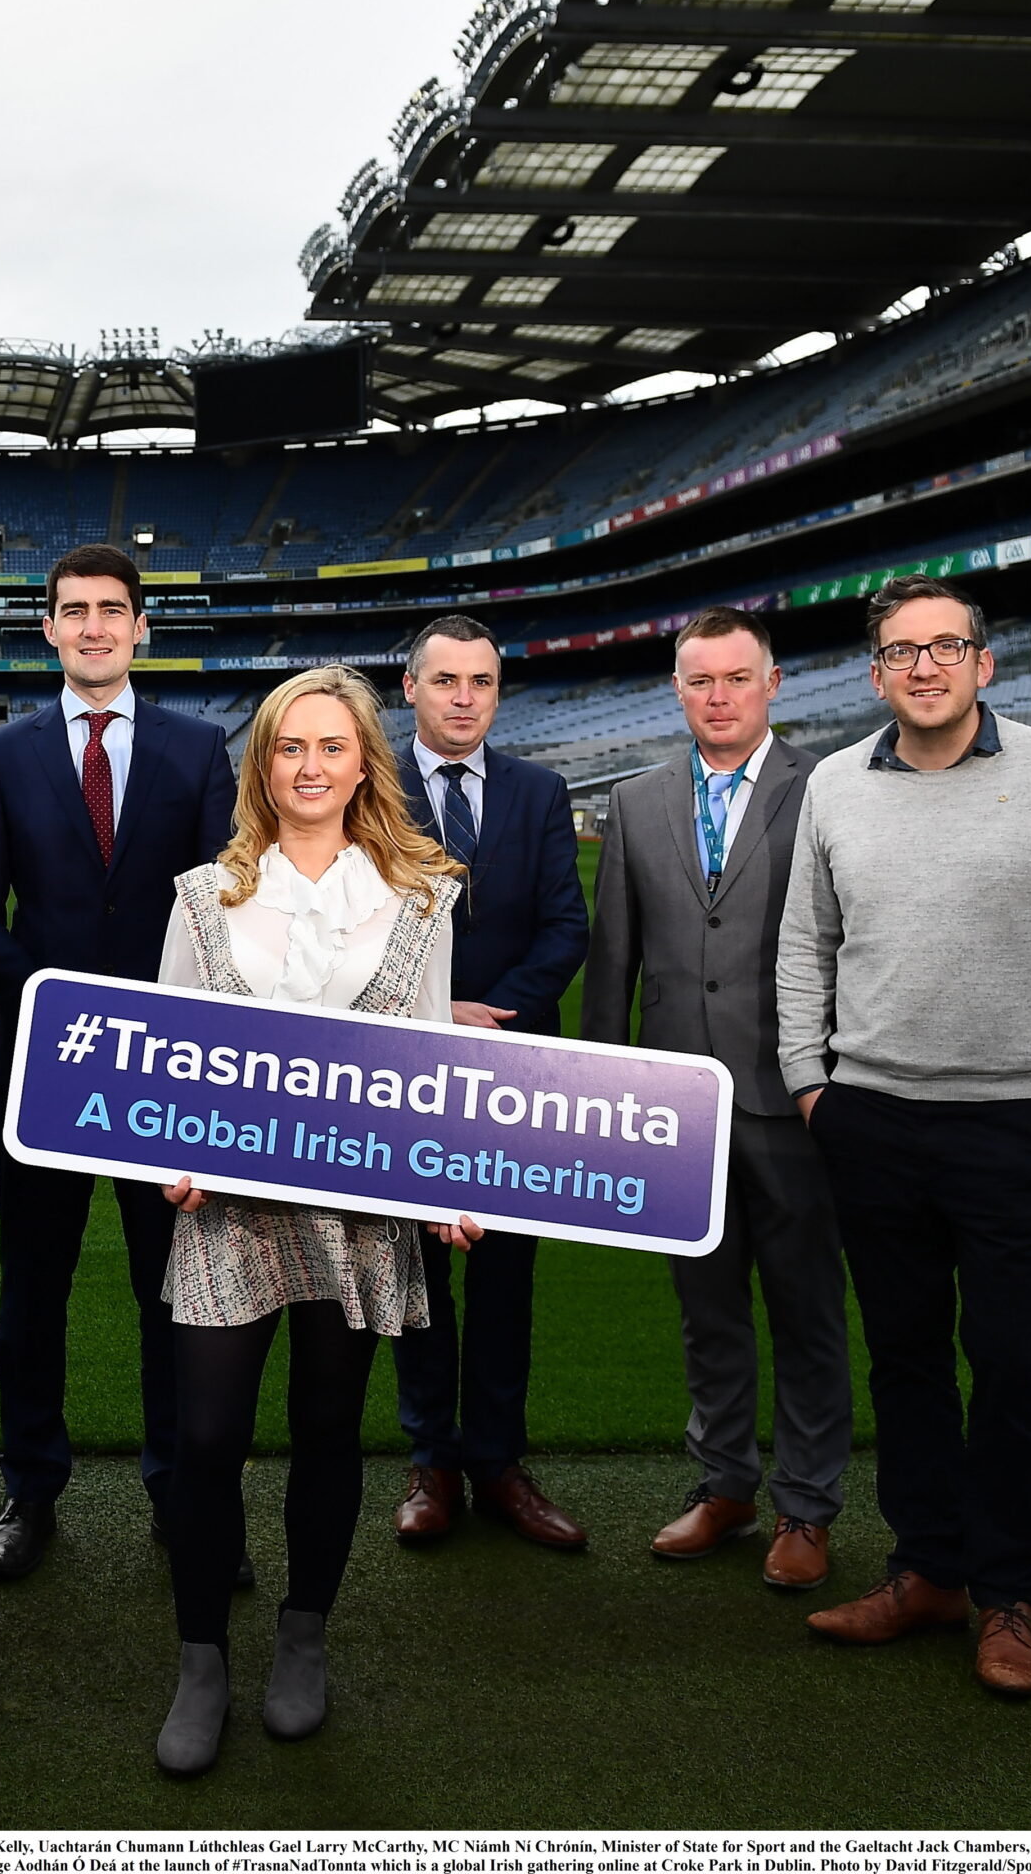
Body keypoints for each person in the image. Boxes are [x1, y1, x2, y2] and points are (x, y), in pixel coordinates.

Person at [778, 574, 1031, 1698]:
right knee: (902, 1364)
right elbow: (805, 947)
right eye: (902, 652)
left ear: (983, 664)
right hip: (872, 1122)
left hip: (1012, 1129)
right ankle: (926, 1570)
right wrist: (814, 1085)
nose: (926, 667)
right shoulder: (837, 786)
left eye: (946, 647)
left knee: (1009, 1367)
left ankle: (1008, 1594)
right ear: (875, 673)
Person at [149, 666, 471, 1777]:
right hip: (227, 1216)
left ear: (362, 763)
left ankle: (301, 1639)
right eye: (290, 747)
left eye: (332, 747)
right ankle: (201, 1659)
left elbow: (432, 1060)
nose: (310, 767)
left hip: (358, 1219)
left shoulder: (424, 899)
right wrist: (171, 1163)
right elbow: (167, 1063)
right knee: (204, 1440)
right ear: (262, 765)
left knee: (328, 1432)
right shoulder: (203, 893)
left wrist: (450, 1184)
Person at [0, 542, 238, 1582]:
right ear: (47, 627)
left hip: (165, 1067)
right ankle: (29, 1488)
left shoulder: (196, 749)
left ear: (139, 627)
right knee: (31, 1290)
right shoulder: (3, 756)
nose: (91, 626)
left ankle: (181, 1491)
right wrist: (54, 1011)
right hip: (45, 1060)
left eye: (110, 609)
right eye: (72, 609)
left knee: (170, 1291)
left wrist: (161, 1029)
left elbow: (219, 913)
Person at [582, 607, 849, 1589]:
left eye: (738, 677)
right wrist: (610, 1095)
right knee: (706, 1309)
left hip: (796, 1103)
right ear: (677, 688)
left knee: (807, 1309)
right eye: (701, 680)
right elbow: (613, 959)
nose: (720, 695)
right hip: (672, 1107)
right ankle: (723, 1482)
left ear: (772, 684)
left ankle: (808, 1506)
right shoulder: (638, 797)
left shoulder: (830, 787)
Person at [390, 614, 591, 1549]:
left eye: (481, 682)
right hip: (402, 1066)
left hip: (516, 1070)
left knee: (508, 1273)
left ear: (496, 694)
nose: (464, 697)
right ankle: (432, 1460)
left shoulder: (540, 792)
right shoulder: (368, 784)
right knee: (417, 1270)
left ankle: (499, 1461)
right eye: (446, 681)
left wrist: (490, 1012)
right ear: (411, 690)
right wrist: (434, 1013)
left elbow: (565, 929)